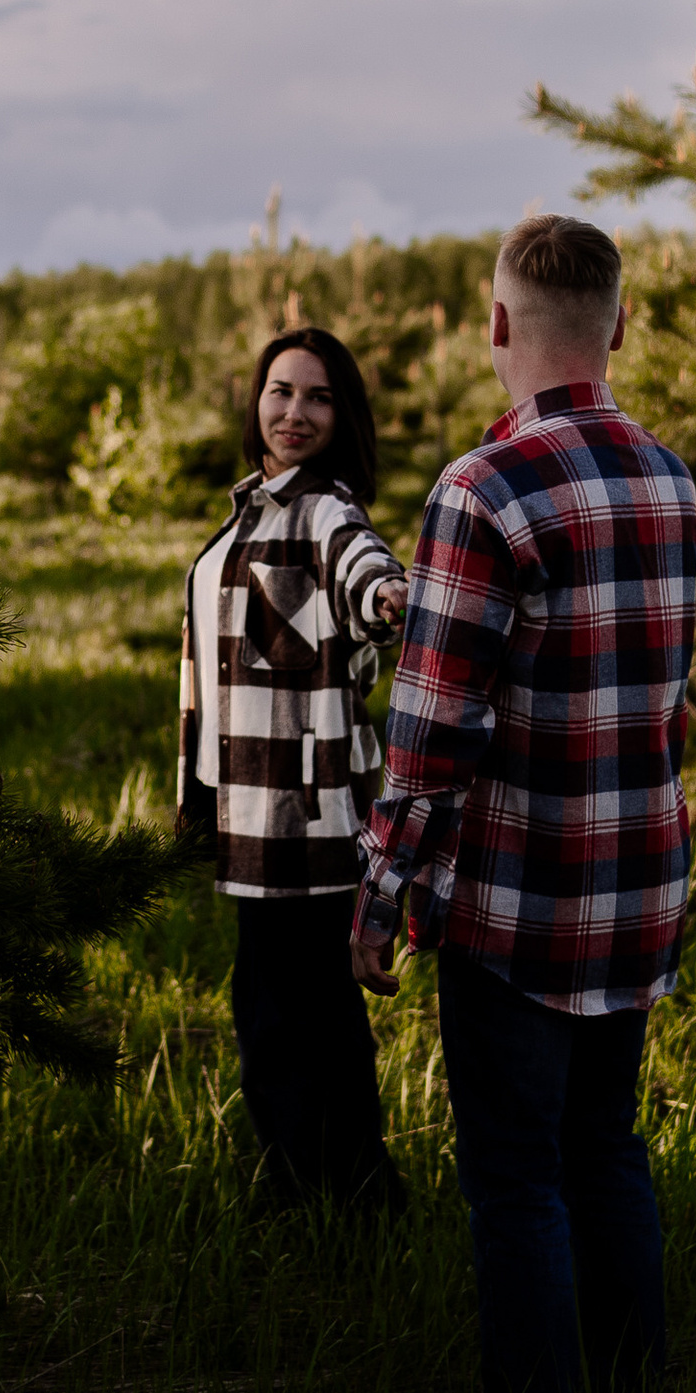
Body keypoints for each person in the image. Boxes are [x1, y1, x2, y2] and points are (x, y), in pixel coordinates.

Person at [352, 215, 696, 1393]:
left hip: (514, 904)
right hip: (635, 886)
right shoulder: (670, 479)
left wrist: (379, 903)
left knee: (513, 1179)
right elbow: (665, 693)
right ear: (618, 323)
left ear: (495, 325)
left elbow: (432, 729)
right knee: (604, 1148)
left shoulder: (478, 492)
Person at [179, 325, 411, 1219]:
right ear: (257, 403)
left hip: (306, 825)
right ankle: (320, 1195)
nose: (294, 412)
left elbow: (364, 572)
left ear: (340, 414)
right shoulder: (252, 510)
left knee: (299, 1029)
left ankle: (343, 1202)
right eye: (280, 391)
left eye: (317, 396)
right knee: (282, 1023)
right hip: (247, 818)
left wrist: (388, 599)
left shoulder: (324, 510)